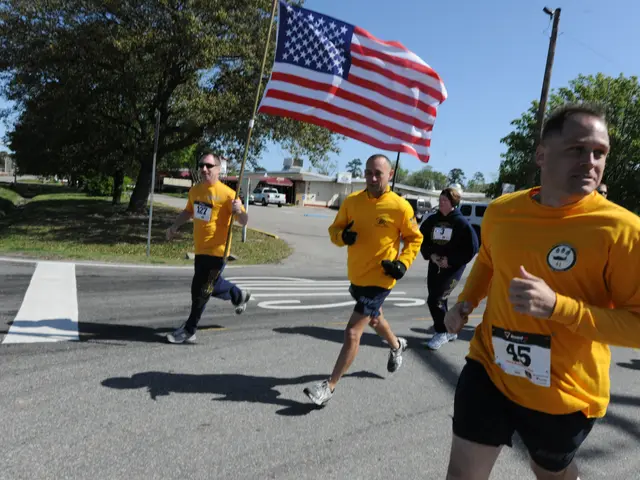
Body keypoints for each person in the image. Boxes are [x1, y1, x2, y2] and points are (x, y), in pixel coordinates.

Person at [443, 103, 640, 480]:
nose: (590, 161)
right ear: (541, 155)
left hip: (564, 394)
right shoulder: (503, 211)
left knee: (549, 472)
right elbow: (487, 259)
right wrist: (466, 303)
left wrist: (559, 307)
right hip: (490, 369)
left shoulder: (623, 231)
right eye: (577, 149)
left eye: (600, 152)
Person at [303, 154, 424, 406]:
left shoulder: (400, 206)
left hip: (381, 278)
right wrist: (343, 237)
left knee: (352, 332)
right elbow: (334, 231)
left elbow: (415, 239)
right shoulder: (352, 201)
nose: (371, 177)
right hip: (357, 276)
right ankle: (397, 345)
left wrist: (402, 263)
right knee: (375, 318)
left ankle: (329, 386)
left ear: (389, 175)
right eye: (368, 172)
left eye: (377, 173)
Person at [165, 153, 251, 344]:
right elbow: (189, 211)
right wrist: (174, 226)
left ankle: (189, 330)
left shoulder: (228, 195)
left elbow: (244, 221)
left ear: (218, 170)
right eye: (201, 165)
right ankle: (239, 294)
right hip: (201, 250)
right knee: (207, 287)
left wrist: (239, 210)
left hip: (218, 252)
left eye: (209, 166)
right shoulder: (195, 191)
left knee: (202, 290)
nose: (204, 169)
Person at [419, 187, 478, 350]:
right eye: (440, 200)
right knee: (437, 298)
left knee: (435, 299)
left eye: (444, 201)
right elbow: (420, 239)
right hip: (435, 265)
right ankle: (450, 330)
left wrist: (450, 260)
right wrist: (431, 256)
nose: (440, 203)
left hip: (452, 269)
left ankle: (442, 332)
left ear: (453, 203)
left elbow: (472, 248)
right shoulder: (432, 221)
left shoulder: (461, 223)